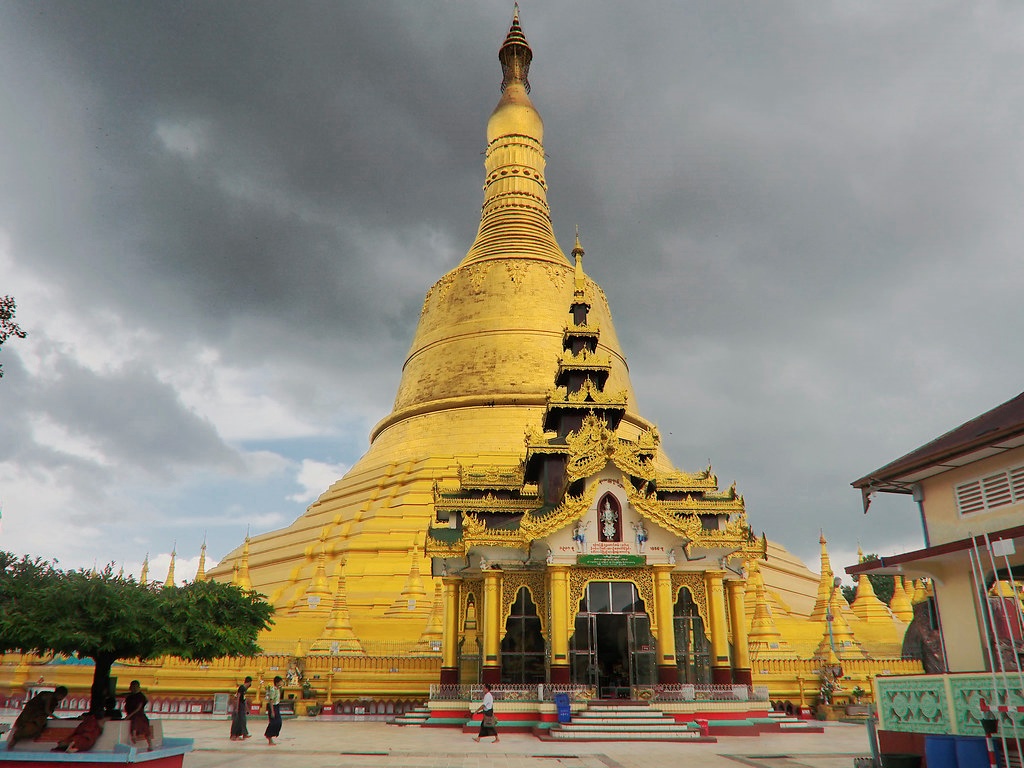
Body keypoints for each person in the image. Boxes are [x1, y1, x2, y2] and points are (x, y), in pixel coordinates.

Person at [123, 680, 153, 751]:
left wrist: (129, 716)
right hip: (131, 714)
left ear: (138, 687)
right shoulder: (130, 696)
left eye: (135, 687)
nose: (133, 688)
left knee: (144, 729)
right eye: (132, 686)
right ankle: (133, 736)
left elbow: (138, 708)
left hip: (139, 715)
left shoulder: (141, 696)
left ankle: (150, 745)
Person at [230, 676, 253, 741]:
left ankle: (242, 734)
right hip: (239, 705)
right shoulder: (241, 688)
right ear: (249, 682)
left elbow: (244, 699)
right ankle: (234, 735)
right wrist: (237, 707)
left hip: (242, 706)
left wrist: (247, 708)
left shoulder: (244, 689)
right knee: (237, 721)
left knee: (242, 720)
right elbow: (238, 697)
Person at [264, 676, 283, 745]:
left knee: (278, 722)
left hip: (277, 706)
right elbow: (271, 700)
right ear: (277, 682)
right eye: (280, 681)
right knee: (273, 722)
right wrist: (272, 711)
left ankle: (271, 735)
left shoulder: (278, 689)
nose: (282, 683)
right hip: (273, 706)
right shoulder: (273, 690)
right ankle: (269, 737)